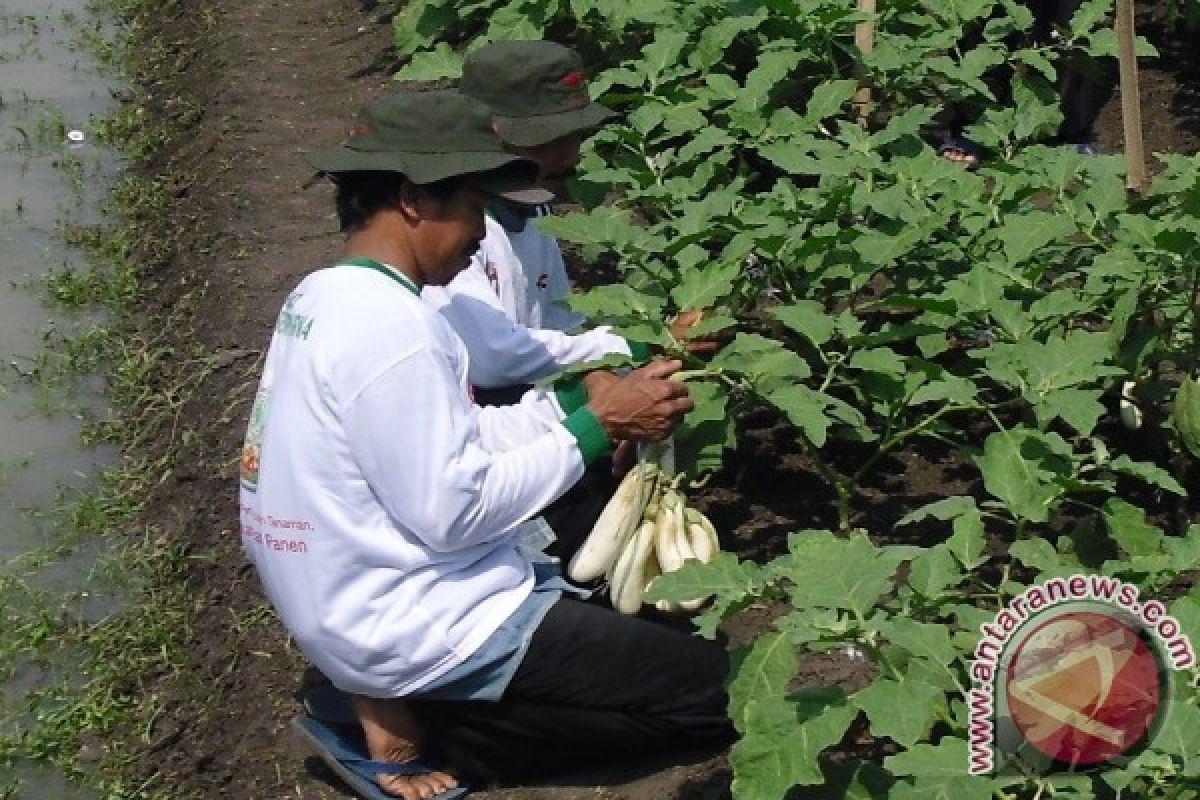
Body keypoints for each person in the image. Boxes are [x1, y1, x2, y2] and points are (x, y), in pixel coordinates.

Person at [239, 88, 733, 800]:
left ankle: (385, 699)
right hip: (414, 619)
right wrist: (602, 427)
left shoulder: (324, 297)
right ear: (414, 199)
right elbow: (455, 512)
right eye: (475, 208)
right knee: (714, 694)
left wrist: (581, 399)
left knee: (649, 660)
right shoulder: (393, 331)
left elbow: (457, 439)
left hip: (343, 600)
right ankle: (425, 735)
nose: (480, 236)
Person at [422, 40, 709, 405]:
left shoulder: (533, 207)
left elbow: (561, 325)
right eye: (547, 142)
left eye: (575, 137)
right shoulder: (447, 233)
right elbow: (495, 357)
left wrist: (604, 378)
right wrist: (641, 343)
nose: (570, 156)